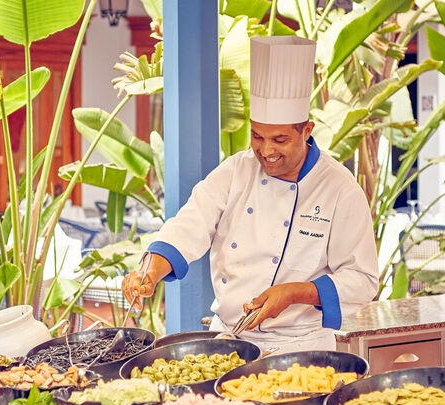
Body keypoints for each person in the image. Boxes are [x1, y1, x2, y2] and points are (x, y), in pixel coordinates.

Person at [122, 36, 379, 354]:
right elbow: (191, 223)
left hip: (299, 348)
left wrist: (296, 292)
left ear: (307, 130)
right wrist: (152, 268)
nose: (267, 151)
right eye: (257, 135)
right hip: (230, 340)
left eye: (280, 139)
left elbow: (362, 279)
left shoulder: (339, 189)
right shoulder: (235, 172)